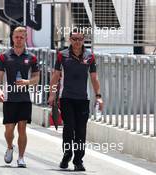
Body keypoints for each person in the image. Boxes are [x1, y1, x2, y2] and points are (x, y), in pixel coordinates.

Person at [48, 30, 104, 171]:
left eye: (80, 39)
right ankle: (67, 154)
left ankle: (78, 160)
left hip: (83, 99)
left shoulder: (89, 56)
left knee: (80, 130)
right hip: (66, 97)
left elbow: (94, 77)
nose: (77, 42)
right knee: (69, 127)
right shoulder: (62, 55)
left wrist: (98, 96)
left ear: (83, 39)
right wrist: (52, 94)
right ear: (70, 40)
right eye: (74, 39)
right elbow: (55, 76)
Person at [0, 27, 40, 168]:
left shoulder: (31, 57)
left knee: (22, 128)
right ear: (12, 37)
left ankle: (21, 158)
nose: (19, 39)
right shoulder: (5, 56)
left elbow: (36, 78)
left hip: (24, 99)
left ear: (25, 38)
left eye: (22, 37)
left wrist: (27, 82)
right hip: (9, 98)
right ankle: (10, 147)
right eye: (16, 37)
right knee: (9, 130)